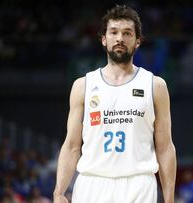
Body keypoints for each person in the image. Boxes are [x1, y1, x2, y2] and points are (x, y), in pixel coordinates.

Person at [53, 4, 176, 203]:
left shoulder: (155, 85)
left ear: (137, 41)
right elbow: (72, 145)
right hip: (92, 183)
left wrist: (169, 198)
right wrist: (59, 191)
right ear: (104, 39)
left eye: (127, 33)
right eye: (114, 32)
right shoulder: (83, 86)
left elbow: (165, 147)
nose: (120, 38)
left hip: (139, 183)